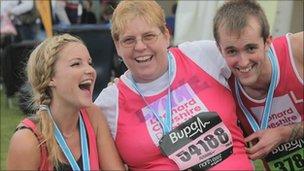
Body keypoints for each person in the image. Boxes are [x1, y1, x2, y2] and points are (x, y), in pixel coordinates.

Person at [94, 1, 253, 170]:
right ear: (118, 46)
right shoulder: (109, 103)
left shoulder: (202, 56)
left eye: (149, 36)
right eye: (129, 40)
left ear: (166, 35)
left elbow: (261, 65)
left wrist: (283, 131)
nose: (140, 46)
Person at [6, 34, 124, 170]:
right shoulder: (27, 140)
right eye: (76, 64)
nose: (90, 70)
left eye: (89, 63)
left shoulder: (93, 116)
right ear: (50, 78)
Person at [213, 0, 303, 170]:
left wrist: (284, 133)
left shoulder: (297, 51)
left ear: (267, 42)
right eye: (232, 51)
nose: (243, 62)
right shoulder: (221, 83)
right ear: (219, 49)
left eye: (251, 48)